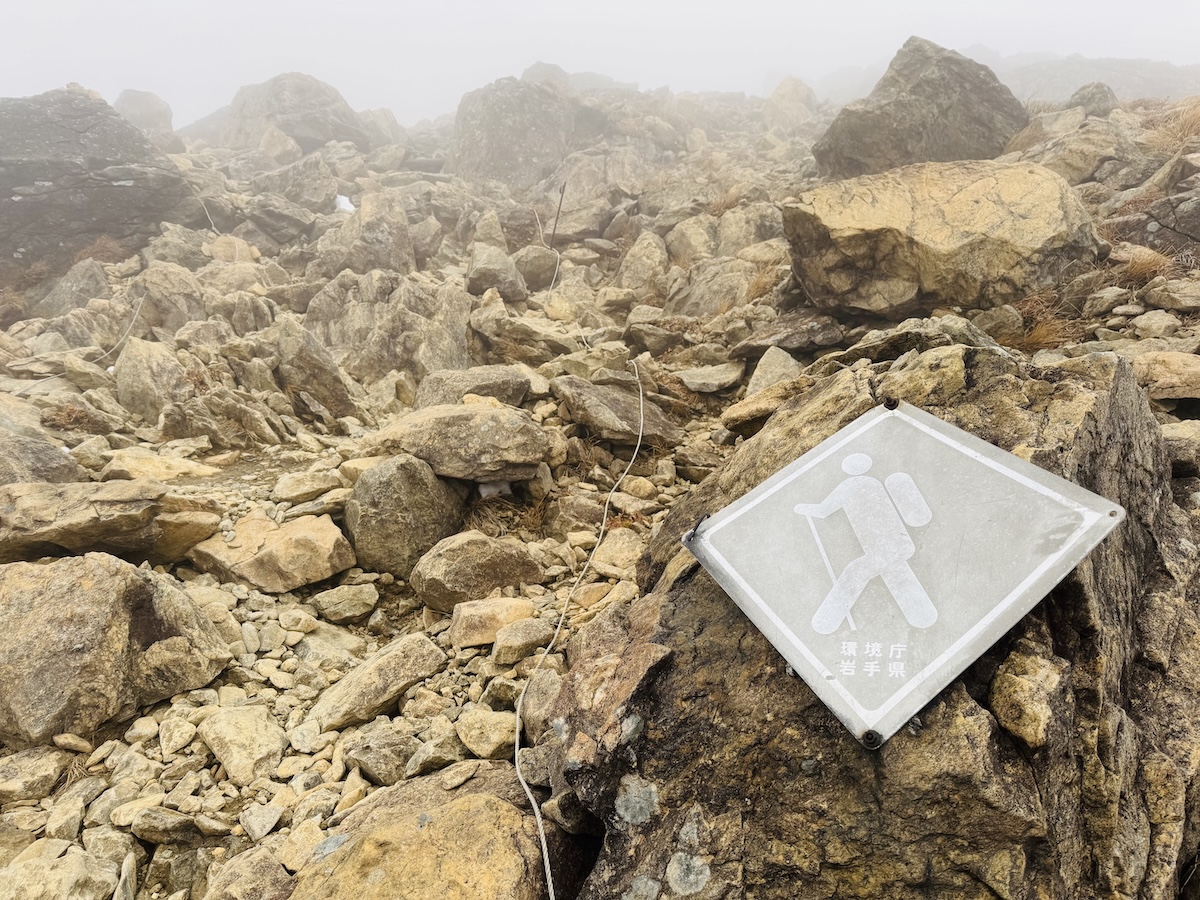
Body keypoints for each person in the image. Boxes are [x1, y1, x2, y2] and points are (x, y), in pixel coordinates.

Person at [794, 453, 936, 634]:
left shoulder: (848, 486)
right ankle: (925, 619)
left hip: (883, 549)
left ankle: (825, 623)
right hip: (897, 544)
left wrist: (803, 508)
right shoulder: (873, 483)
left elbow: (823, 510)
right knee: (897, 575)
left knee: (856, 572)